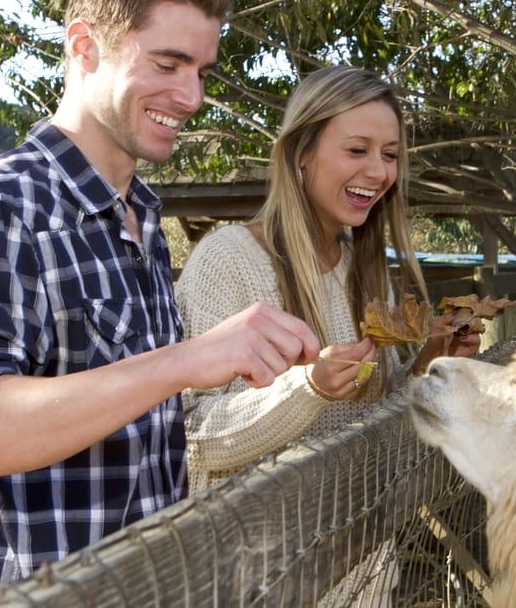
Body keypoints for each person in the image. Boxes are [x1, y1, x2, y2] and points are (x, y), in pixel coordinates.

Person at [0, 0, 320, 606]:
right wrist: (185, 359)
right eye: (168, 63)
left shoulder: (142, 219)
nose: (192, 96)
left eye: (202, 70)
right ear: (85, 46)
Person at [175, 64, 482, 492]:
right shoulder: (227, 260)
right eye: (357, 150)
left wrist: (427, 362)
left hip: (364, 550)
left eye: (390, 155)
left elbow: (375, 413)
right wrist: (308, 388)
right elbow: (195, 439)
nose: (379, 172)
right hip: (261, 555)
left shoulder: (365, 268)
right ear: (302, 152)